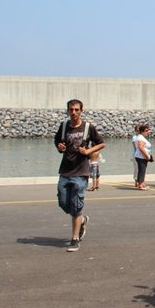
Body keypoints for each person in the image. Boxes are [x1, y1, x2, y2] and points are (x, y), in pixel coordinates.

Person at [54, 99, 105, 252]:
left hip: (81, 172)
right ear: (68, 110)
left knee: (76, 205)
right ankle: (81, 220)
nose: (74, 112)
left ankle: (75, 238)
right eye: (71, 109)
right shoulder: (64, 127)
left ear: (81, 110)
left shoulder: (88, 127)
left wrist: (88, 152)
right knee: (63, 202)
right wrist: (59, 146)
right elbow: (57, 142)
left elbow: (101, 143)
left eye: (77, 110)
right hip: (65, 171)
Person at [134, 124, 153, 190]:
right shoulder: (140, 138)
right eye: (146, 131)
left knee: (142, 170)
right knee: (142, 171)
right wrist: (147, 156)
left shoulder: (141, 137)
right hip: (141, 157)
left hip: (141, 157)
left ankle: (141, 183)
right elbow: (140, 147)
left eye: (148, 130)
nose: (147, 132)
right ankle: (140, 185)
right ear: (142, 131)